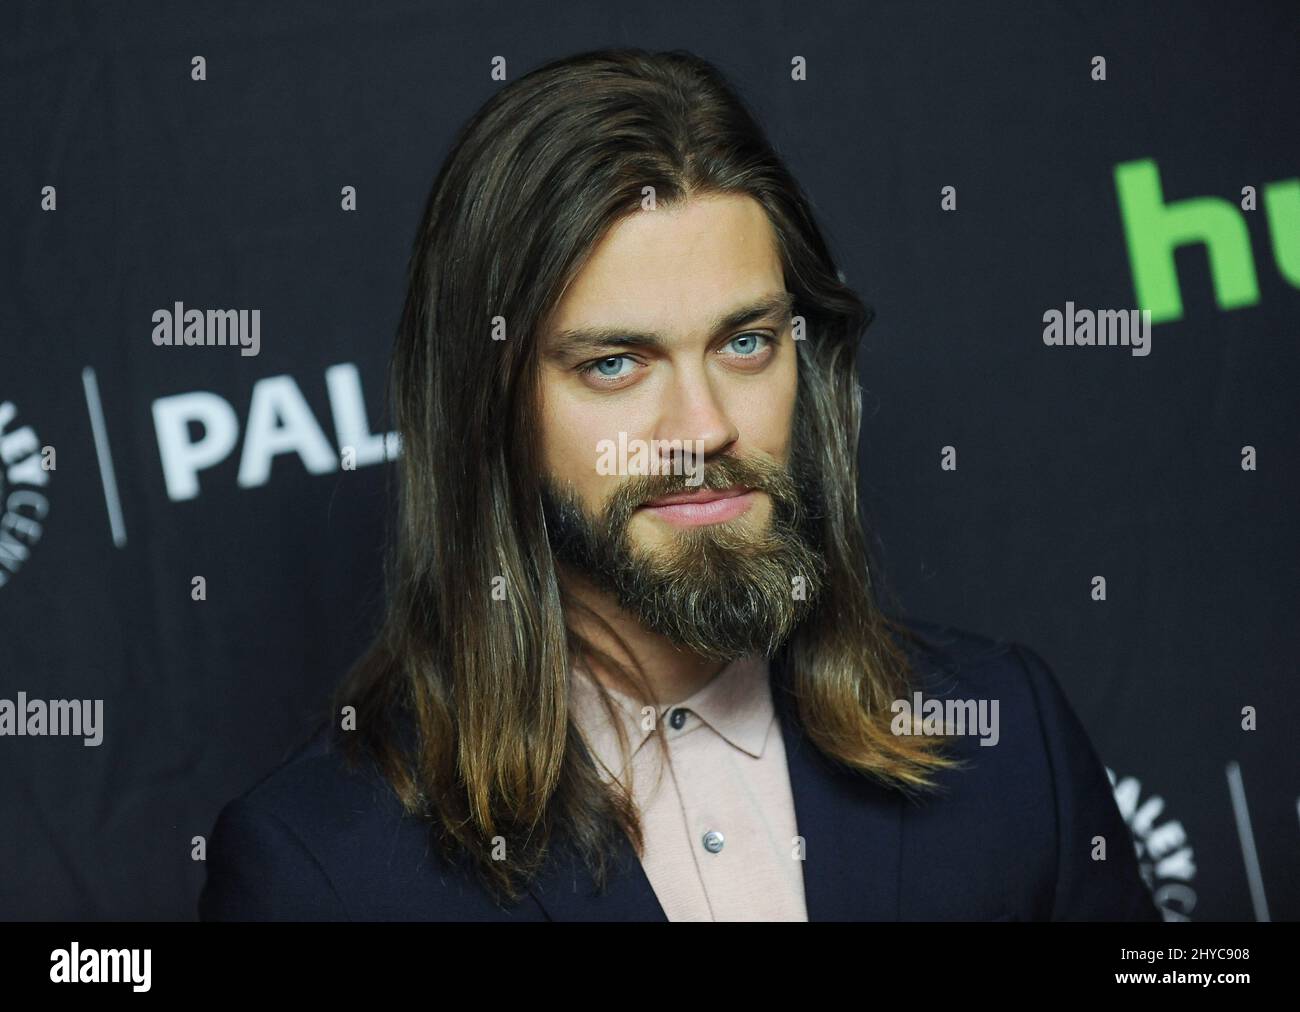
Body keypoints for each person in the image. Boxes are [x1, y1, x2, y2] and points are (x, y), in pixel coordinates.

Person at [198, 47, 1161, 922]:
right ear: (486, 412)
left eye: (746, 344)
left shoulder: (1005, 742)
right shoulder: (318, 874)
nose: (704, 430)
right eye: (616, 364)